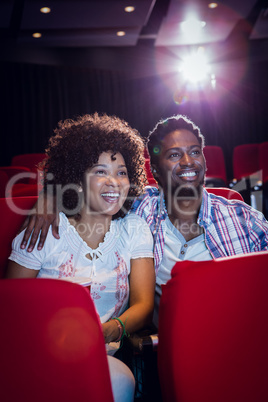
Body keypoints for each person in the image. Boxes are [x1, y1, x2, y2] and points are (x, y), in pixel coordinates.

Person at [16, 114, 268, 326]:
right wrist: (49, 195)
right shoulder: (138, 207)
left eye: (194, 152)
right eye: (174, 155)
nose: (188, 161)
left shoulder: (244, 218)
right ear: (154, 171)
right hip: (170, 351)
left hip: (239, 337)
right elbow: (93, 189)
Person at [6, 113, 155, 402]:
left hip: (100, 358)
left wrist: (112, 329)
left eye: (122, 172)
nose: (114, 181)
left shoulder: (134, 229)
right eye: (100, 171)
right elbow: (9, 309)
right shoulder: (45, 228)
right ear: (76, 177)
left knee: (120, 381)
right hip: (36, 354)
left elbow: (144, 304)